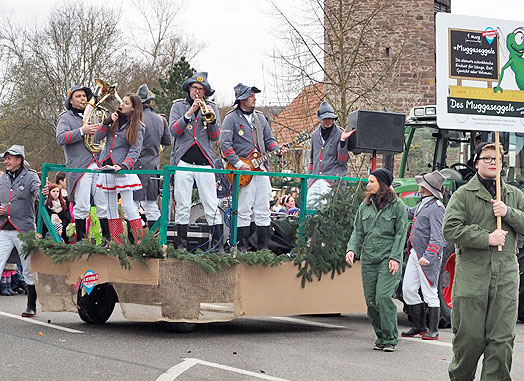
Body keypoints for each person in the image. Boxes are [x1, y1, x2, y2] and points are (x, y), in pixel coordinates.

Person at [442, 142, 524, 380]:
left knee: (501, 340)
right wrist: (485, 237)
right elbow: (450, 229)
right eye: (487, 158)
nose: (492, 162)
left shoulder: (514, 196)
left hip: (506, 273)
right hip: (472, 274)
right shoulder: (463, 195)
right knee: (469, 339)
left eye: (496, 159)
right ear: (476, 162)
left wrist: (509, 213)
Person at [345, 168, 408, 352]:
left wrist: (395, 257)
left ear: (382, 183)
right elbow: (358, 230)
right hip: (369, 258)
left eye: (372, 181)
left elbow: (401, 234)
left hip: (388, 258)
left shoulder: (397, 206)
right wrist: (351, 249)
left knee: (383, 296)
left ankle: (390, 338)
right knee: (371, 300)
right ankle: (381, 336)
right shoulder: (365, 206)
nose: (368, 185)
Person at [220, 83, 287, 252]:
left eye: (254, 95)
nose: (254, 98)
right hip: (243, 170)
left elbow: (268, 140)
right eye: (251, 95)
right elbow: (225, 144)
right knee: (243, 209)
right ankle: (242, 248)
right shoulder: (231, 118)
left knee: (264, 208)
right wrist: (239, 164)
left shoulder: (260, 118)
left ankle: (263, 248)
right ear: (241, 98)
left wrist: (276, 148)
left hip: (261, 167)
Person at [169, 72, 224, 253]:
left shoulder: (212, 107)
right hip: (183, 161)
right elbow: (174, 131)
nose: (197, 92)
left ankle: (217, 246)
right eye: (195, 88)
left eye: (201, 89)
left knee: (211, 203)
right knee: (183, 204)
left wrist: (213, 120)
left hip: (205, 162)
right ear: (189, 89)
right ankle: (182, 245)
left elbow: (215, 137)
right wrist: (190, 112)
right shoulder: (178, 106)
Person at [401, 170, 445, 340]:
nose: (419, 185)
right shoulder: (422, 204)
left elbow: (437, 236)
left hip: (426, 257)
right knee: (408, 289)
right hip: (414, 252)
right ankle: (419, 326)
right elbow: (409, 212)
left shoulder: (436, 208)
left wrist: (429, 256)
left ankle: (433, 329)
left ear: (426, 188)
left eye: (421, 184)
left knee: (430, 292)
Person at [95, 94, 145, 245]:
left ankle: (140, 241)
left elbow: (135, 150)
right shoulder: (114, 121)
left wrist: (124, 165)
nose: (122, 104)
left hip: (122, 168)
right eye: (122, 101)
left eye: (126, 103)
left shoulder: (138, 126)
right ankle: (117, 241)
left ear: (133, 108)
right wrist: (107, 121)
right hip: (107, 166)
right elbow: (98, 136)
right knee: (110, 206)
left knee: (129, 205)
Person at [0, 145, 41, 317]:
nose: (6, 161)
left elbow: (38, 193)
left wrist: (42, 190)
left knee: (28, 268)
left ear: (19, 160)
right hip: (3, 228)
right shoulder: (2, 179)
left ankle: (31, 305)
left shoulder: (30, 176)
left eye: (9, 158)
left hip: (24, 229)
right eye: (5, 158)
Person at [56, 86, 100, 240]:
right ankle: (81, 240)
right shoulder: (65, 117)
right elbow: (60, 139)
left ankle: (107, 239)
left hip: (98, 163)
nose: (83, 99)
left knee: (104, 203)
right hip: (80, 166)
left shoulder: (94, 115)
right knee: (81, 204)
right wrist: (82, 131)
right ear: (71, 100)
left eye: (84, 96)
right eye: (79, 96)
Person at [133, 84, 171, 229]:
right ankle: (155, 239)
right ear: (151, 102)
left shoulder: (135, 118)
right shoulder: (161, 119)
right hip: (154, 166)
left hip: (136, 166)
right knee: (151, 205)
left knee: (133, 205)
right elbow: (167, 141)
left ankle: (136, 240)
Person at [307, 101, 352, 208]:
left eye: (330, 118)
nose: (328, 121)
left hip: (332, 180)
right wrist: (309, 178)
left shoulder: (341, 133)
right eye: (325, 118)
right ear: (320, 119)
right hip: (315, 179)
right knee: (308, 207)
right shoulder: (314, 135)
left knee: (324, 208)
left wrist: (342, 141)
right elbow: (312, 159)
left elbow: (343, 160)